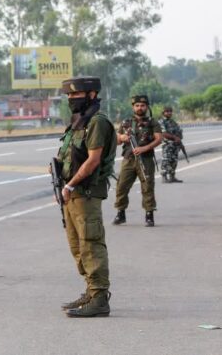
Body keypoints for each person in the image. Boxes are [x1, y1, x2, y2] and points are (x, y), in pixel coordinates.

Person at [55, 76, 117, 317]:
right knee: (77, 245)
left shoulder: (97, 123)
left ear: (91, 95)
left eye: (76, 95)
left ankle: (100, 297)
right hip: (73, 193)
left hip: (85, 192)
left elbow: (93, 160)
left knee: (91, 244)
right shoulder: (79, 122)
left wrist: (70, 185)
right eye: (69, 96)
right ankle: (91, 291)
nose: (71, 99)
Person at [112, 95, 163, 227]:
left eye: (142, 105)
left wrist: (145, 148)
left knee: (147, 187)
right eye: (137, 105)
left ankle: (149, 215)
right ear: (133, 107)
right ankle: (120, 213)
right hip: (129, 159)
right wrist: (123, 137)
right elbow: (116, 140)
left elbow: (158, 139)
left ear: (146, 107)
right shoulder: (126, 122)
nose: (140, 108)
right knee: (121, 186)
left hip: (145, 159)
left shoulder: (152, 122)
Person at [159, 106, 184, 183]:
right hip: (167, 144)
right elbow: (164, 133)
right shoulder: (161, 122)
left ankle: (172, 177)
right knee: (166, 161)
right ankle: (164, 177)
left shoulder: (173, 122)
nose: (169, 113)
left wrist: (179, 139)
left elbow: (179, 132)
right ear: (163, 113)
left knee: (174, 161)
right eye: (167, 111)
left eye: (170, 111)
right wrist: (175, 138)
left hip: (175, 145)